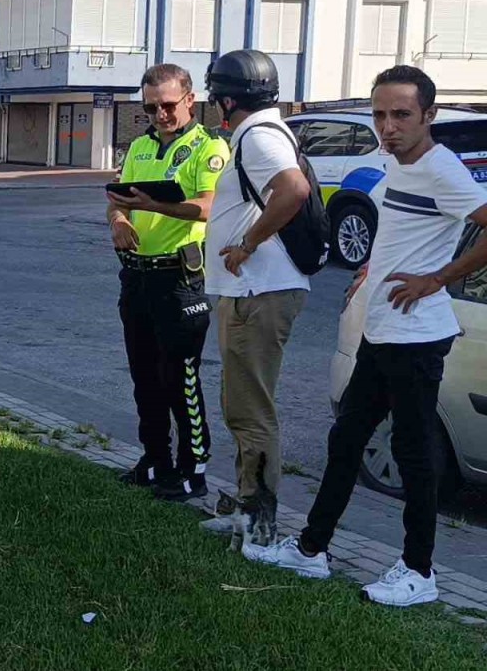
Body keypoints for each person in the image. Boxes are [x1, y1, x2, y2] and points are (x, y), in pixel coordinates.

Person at [252, 66, 487, 607]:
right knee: (346, 443)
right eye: (380, 114)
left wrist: (437, 279)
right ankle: (311, 550)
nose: (389, 125)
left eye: (402, 114)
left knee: (414, 455)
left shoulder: (441, 169)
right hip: (382, 330)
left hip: (418, 337)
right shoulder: (394, 164)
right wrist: (373, 269)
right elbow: (404, 228)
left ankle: (418, 573)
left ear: (428, 115)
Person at [202, 49, 312, 545]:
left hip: (259, 292)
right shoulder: (260, 132)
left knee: (252, 410)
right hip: (250, 291)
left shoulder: (260, 137)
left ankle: (261, 524)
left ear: (225, 100)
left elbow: (294, 189)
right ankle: (246, 503)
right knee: (239, 404)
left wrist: (247, 244)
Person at [106, 64, 230, 501]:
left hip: (179, 279)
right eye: (150, 107)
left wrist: (151, 203)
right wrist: (120, 218)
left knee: (181, 378)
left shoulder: (208, 148)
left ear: (190, 100)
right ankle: (154, 460)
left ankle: (192, 470)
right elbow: (117, 196)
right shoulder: (139, 145)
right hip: (137, 276)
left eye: (168, 105)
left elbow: (207, 206)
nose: (160, 114)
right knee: (144, 377)